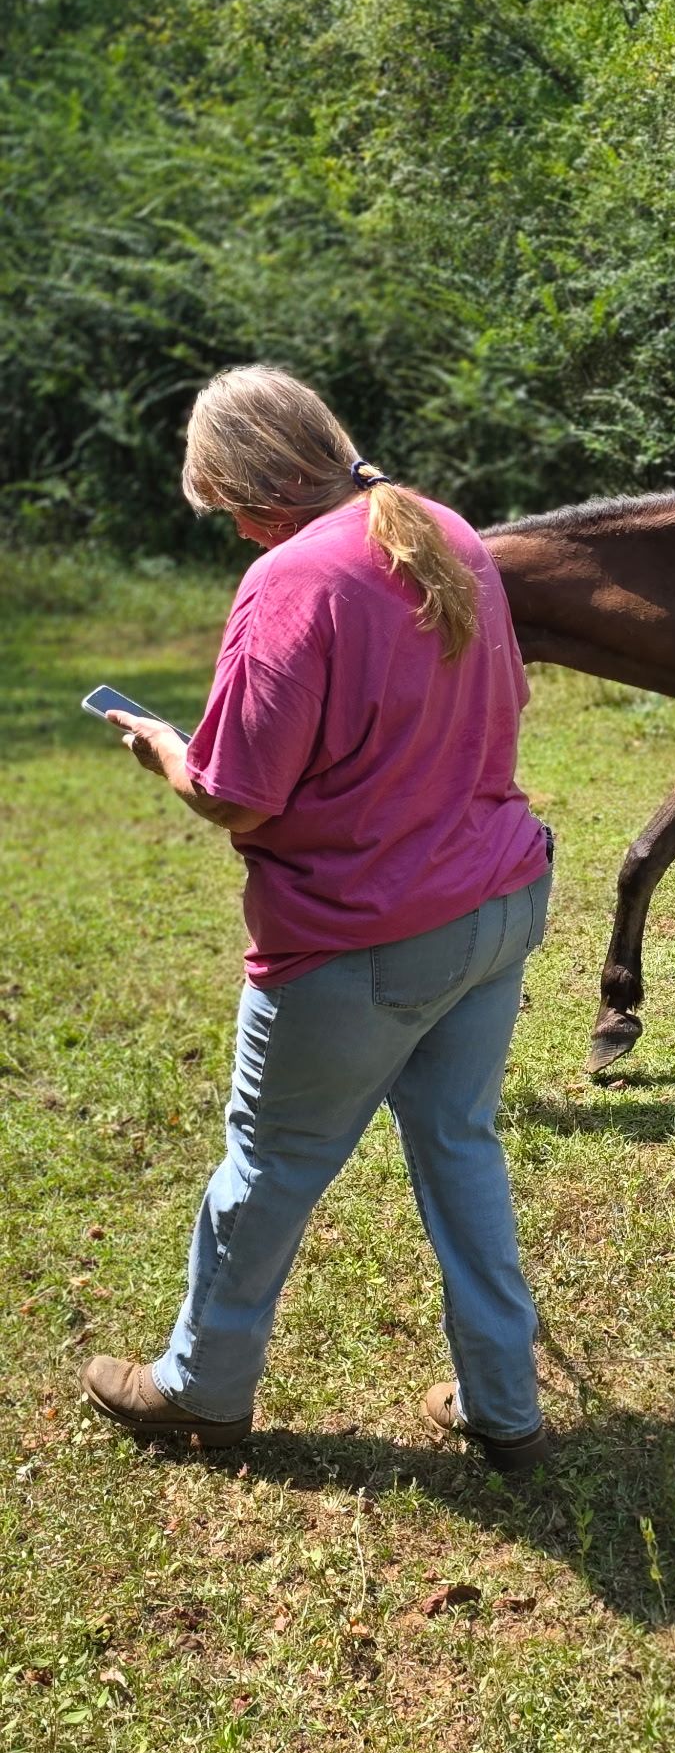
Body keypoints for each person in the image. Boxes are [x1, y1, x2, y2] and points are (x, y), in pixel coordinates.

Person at [82, 365, 554, 1475]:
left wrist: (160, 745)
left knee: (268, 1162)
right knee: (460, 1144)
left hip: (362, 938)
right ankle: (504, 1401)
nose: (236, 533)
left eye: (229, 511)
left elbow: (237, 790)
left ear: (263, 493)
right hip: (494, 907)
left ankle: (200, 1386)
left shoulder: (291, 581)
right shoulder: (445, 531)